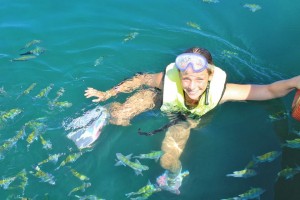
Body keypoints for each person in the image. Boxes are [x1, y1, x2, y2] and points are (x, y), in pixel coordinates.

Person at [84, 47, 300, 194]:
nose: (192, 85)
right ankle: (101, 114)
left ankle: (177, 175)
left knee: (167, 161)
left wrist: (294, 82)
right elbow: (141, 79)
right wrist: (108, 94)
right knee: (118, 117)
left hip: (183, 120)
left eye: (199, 79)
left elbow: (268, 90)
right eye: (186, 78)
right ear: (180, 76)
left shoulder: (222, 92)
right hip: (158, 98)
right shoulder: (166, 80)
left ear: (210, 77)